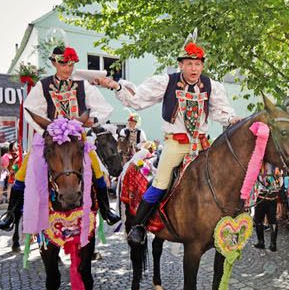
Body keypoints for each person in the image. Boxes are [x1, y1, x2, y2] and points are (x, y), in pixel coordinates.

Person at [95, 32, 240, 246]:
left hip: (202, 145)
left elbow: (222, 111)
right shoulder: (166, 82)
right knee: (162, 181)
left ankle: (227, 222)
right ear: (180, 65)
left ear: (202, 66)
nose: (193, 69)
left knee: (222, 178)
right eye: (189, 63)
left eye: (198, 64)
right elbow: (137, 99)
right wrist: (116, 86)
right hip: (175, 144)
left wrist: (232, 118)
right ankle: (139, 225)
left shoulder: (212, 86)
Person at [0, 46, 117, 231]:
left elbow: (105, 108)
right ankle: (11, 215)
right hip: (51, 138)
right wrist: (46, 130)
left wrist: (92, 120)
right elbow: (30, 110)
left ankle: (106, 211)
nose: (68, 68)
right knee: (23, 170)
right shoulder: (42, 86)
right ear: (54, 63)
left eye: (71, 64)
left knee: (98, 169)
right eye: (63, 64)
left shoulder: (84, 86)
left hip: (77, 138)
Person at [253, 164, 282, 252]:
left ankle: (261, 242)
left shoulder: (259, 164)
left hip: (262, 196)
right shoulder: (277, 166)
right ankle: (273, 244)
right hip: (273, 196)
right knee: (272, 220)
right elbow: (280, 182)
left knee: (258, 219)